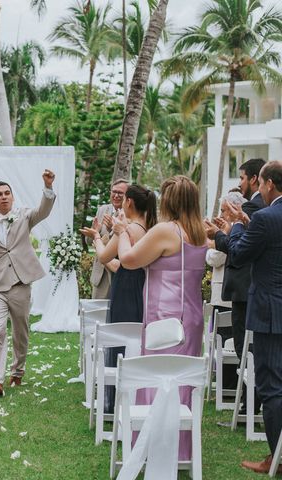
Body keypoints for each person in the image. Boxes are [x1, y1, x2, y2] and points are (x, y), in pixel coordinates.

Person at [115, 175, 208, 462]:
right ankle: (179, 450)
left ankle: (155, 448)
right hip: (190, 317)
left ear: (169, 201)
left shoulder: (166, 230)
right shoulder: (200, 232)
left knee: (157, 377)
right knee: (181, 382)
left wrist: (121, 232)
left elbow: (129, 260)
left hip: (164, 317)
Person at [0, 170, 56, 397]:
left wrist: (47, 187)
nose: (4, 197)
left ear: (12, 197)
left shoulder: (24, 215)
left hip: (20, 283)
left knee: (20, 331)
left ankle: (17, 370)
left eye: (7, 193)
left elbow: (43, 211)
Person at [223, 161, 282, 474]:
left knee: (271, 387)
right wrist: (248, 221)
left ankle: (277, 457)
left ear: (269, 183)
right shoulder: (263, 217)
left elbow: (240, 254)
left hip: (270, 314)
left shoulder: (266, 217)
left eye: (260, 182)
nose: (258, 187)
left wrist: (235, 226)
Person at [80, 184, 157, 412]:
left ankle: (114, 403)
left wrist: (96, 237)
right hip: (140, 286)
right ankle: (132, 399)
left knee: (119, 340)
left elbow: (104, 256)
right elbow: (124, 264)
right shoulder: (149, 228)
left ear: (129, 203)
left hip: (124, 290)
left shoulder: (128, 229)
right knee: (134, 338)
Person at [206, 158, 266, 414]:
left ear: (255, 179)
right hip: (251, 289)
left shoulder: (253, 207)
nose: (240, 183)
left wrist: (221, 234)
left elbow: (239, 249)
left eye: (242, 178)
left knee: (246, 348)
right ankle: (249, 402)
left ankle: (249, 403)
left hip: (245, 289)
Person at [88, 179, 129, 299]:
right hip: (99, 275)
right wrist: (95, 232)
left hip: (118, 272)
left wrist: (112, 230)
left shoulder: (129, 214)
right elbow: (90, 242)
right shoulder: (102, 210)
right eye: (114, 191)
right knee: (96, 314)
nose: (116, 195)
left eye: (120, 193)